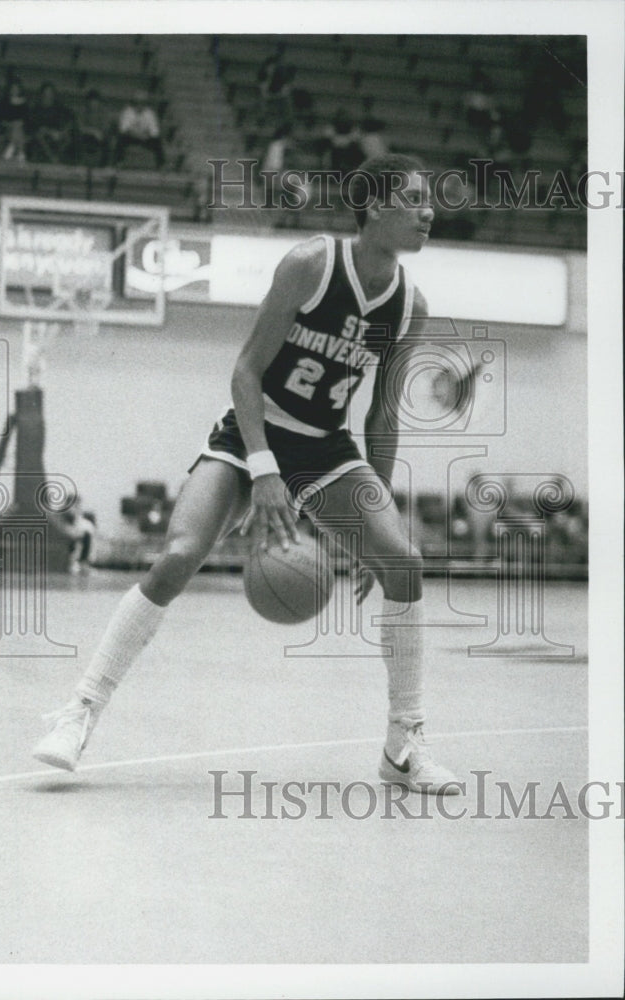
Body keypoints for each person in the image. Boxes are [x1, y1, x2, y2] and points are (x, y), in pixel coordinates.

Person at [33, 154, 459, 796]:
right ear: (374, 208)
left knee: (404, 563)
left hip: (324, 447)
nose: (429, 212)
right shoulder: (312, 264)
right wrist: (262, 470)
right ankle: (80, 713)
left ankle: (405, 745)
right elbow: (245, 371)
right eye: (414, 199)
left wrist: (381, 521)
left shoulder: (408, 306)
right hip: (252, 432)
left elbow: (383, 417)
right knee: (179, 556)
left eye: (430, 202)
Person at [27, 82, 75, 164]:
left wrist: (62, 132)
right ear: (42, 94)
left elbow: (70, 120)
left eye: (50, 93)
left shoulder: (59, 107)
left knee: (67, 138)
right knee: (40, 136)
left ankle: (58, 158)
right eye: (46, 93)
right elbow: (35, 126)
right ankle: (52, 159)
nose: (48, 96)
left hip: (56, 134)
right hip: (42, 135)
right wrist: (49, 131)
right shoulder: (36, 109)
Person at [114, 90, 164, 168]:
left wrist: (146, 136)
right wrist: (137, 135)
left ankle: (161, 165)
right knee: (121, 139)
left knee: (157, 141)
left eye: (142, 102)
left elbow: (154, 132)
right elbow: (124, 129)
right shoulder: (127, 112)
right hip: (131, 137)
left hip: (145, 138)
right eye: (137, 102)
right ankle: (118, 162)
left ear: (145, 103)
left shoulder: (150, 113)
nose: (139, 105)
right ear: (133, 103)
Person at [0, 76, 29, 162]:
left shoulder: (24, 103)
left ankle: (11, 147)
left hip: (20, 128)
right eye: (13, 88)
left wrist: (19, 123)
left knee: (17, 128)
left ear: (20, 89)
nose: (14, 90)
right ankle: (21, 153)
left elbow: (27, 119)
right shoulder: (3, 102)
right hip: (6, 127)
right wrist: (9, 124)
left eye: (16, 88)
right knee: (16, 128)